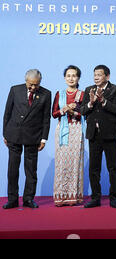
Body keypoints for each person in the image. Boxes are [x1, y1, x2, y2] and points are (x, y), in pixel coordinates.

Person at [3, 69, 51, 209]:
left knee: (31, 170)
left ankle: (28, 199)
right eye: (30, 84)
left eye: (36, 84)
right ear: (26, 81)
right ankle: (12, 199)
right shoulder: (15, 90)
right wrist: (5, 133)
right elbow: (7, 113)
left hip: (33, 136)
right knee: (13, 169)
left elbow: (46, 118)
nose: (33, 87)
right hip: (14, 135)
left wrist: (43, 139)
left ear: (40, 82)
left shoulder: (46, 94)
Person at [81, 65, 116, 209]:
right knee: (94, 169)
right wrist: (90, 103)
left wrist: (103, 101)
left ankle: (114, 198)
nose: (96, 77)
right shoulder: (88, 90)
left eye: (99, 74)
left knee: (113, 168)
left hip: (110, 134)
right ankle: (95, 198)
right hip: (94, 135)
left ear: (107, 76)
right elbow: (82, 110)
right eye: (94, 75)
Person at [52, 65, 85, 206]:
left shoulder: (82, 94)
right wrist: (64, 110)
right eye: (68, 75)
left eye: (74, 75)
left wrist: (73, 113)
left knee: (75, 162)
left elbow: (84, 114)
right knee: (61, 164)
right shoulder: (60, 94)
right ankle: (60, 196)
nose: (71, 78)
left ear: (78, 78)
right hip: (62, 130)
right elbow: (54, 114)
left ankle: (73, 196)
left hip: (76, 130)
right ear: (65, 78)